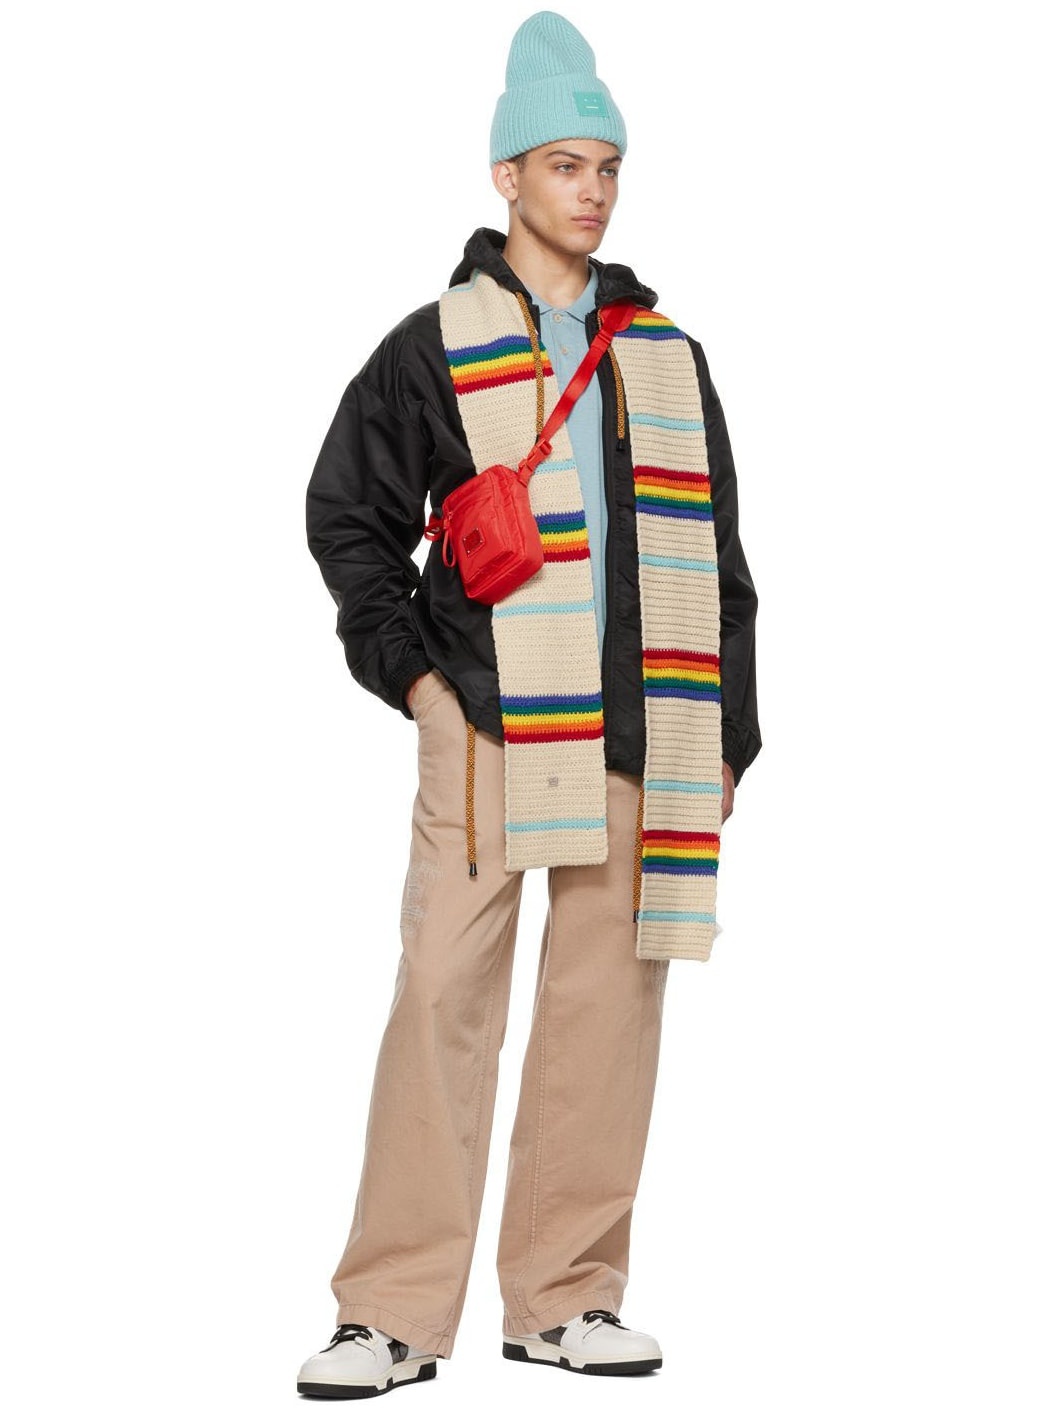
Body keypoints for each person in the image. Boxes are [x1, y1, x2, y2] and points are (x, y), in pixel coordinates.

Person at [298, 9, 761, 1398]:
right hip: (488, 722)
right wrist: (421, 684)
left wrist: (727, 737)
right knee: (442, 996)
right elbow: (349, 518)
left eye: (608, 167)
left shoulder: (664, 354)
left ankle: (564, 1299)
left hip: (639, 726)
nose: (594, 191)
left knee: (605, 1014)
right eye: (566, 165)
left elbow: (720, 559)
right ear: (506, 175)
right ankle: (389, 1314)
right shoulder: (430, 346)